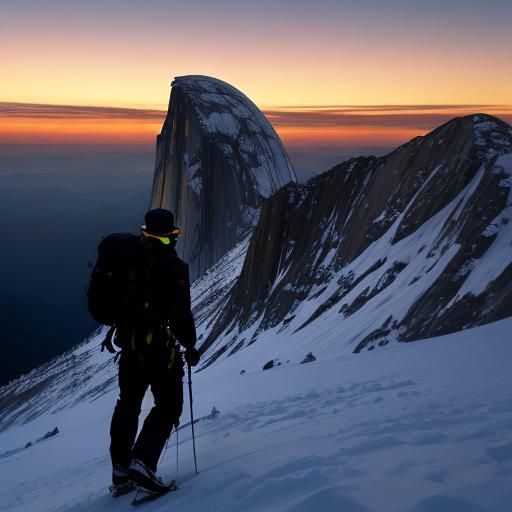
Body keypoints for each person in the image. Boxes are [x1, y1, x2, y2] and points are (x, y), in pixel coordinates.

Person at [108, 208, 200, 495]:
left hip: (128, 348)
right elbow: (181, 314)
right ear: (172, 234)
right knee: (169, 404)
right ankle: (144, 462)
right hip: (159, 349)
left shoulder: (130, 260)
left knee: (128, 405)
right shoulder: (173, 267)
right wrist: (190, 344)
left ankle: (121, 470)